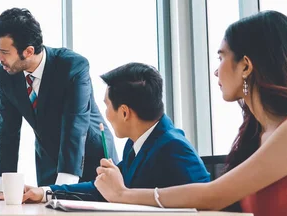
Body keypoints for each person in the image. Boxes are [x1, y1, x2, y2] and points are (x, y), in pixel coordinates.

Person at [93, 11, 287, 216]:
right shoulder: (255, 136)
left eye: (221, 57)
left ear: (245, 66)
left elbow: (214, 196)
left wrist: (123, 194)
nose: (216, 71)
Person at [0, 8, 117, 201]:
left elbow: (75, 127)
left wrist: (63, 189)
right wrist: (4, 187)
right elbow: (7, 130)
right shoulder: (6, 73)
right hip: (48, 159)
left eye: (5, 52)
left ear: (29, 51)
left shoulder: (73, 67)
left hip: (89, 159)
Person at [20, 63, 210, 203]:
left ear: (125, 112)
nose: (106, 115)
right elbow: (103, 189)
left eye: (107, 106)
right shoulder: (137, 142)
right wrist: (45, 192)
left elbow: (206, 200)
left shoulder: (173, 147)